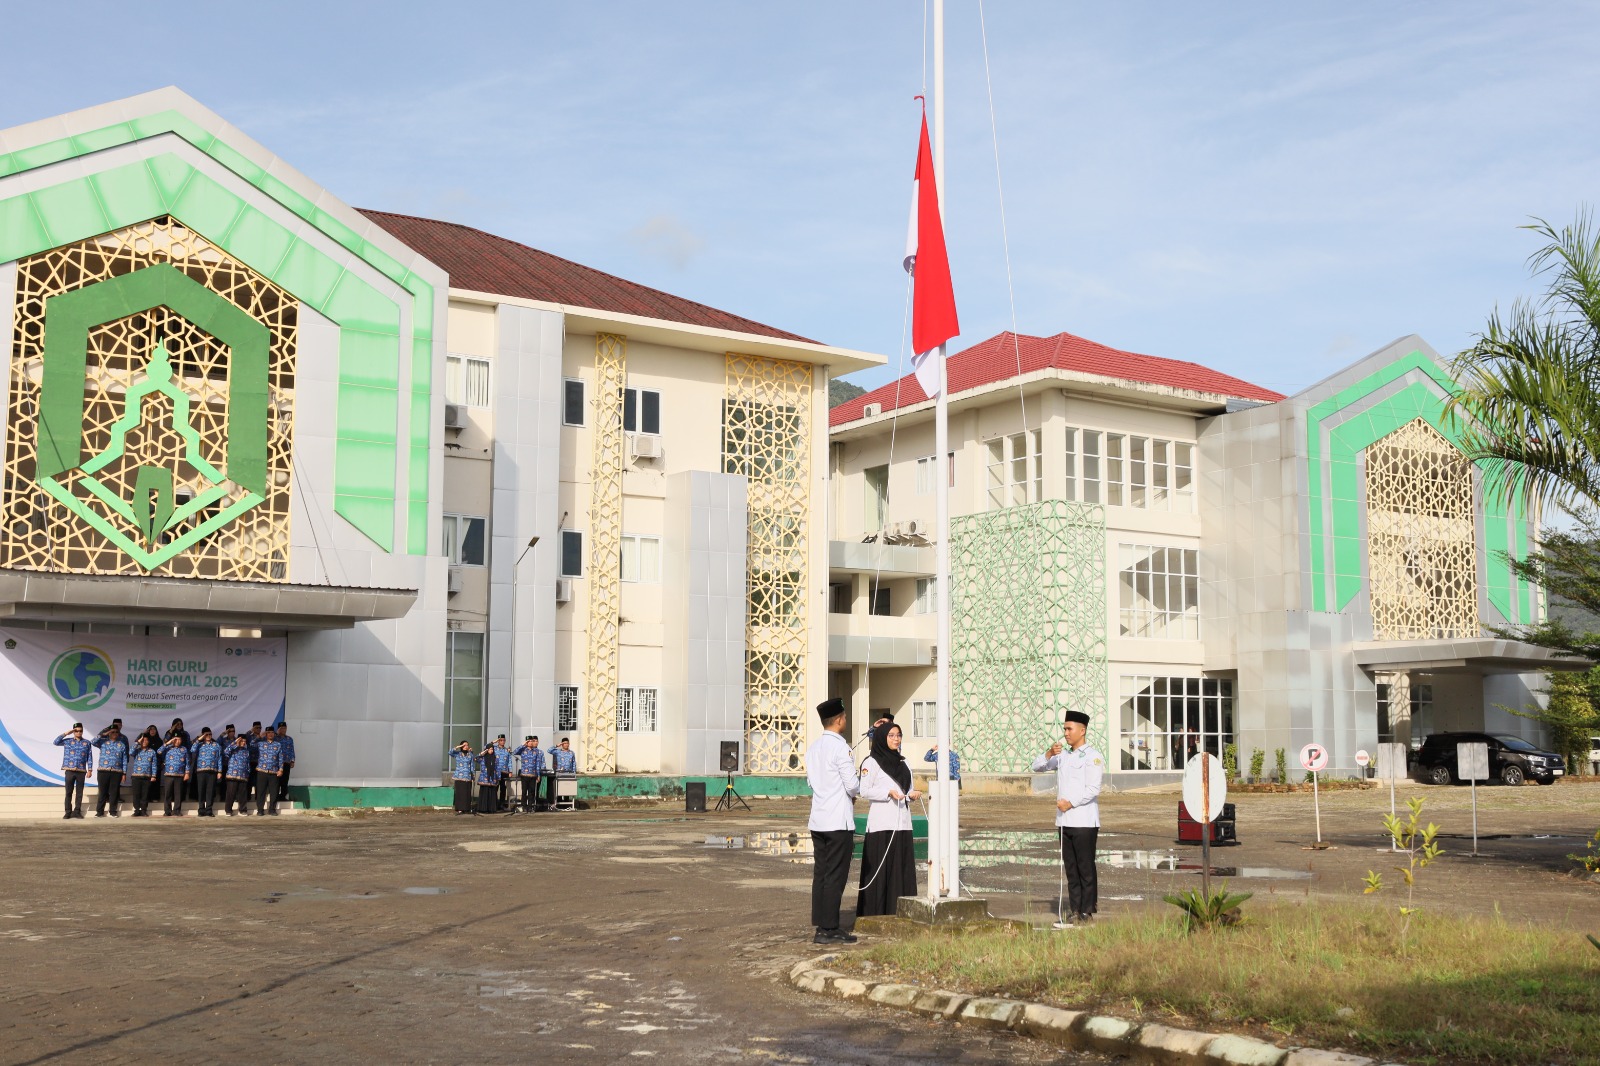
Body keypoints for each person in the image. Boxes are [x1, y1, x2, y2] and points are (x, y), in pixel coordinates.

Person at [1032, 710, 1105, 924]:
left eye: (1069, 728)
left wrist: (1070, 803)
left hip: (1084, 820)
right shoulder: (1063, 755)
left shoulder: (1093, 756)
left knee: (1085, 867)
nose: (1065, 733)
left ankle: (1087, 911)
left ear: (1082, 731)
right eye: (1064, 729)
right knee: (1071, 868)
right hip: (1064, 821)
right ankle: (1074, 910)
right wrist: (1048, 753)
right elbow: (1037, 767)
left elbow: (1093, 788)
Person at [807, 697, 860, 944]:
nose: (845, 720)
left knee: (821, 873)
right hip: (838, 820)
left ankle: (821, 923)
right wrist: (854, 792)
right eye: (845, 717)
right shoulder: (841, 748)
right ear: (839, 720)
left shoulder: (814, 748)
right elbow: (852, 785)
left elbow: (812, 783)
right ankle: (829, 928)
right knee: (835, 876)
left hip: (818, 819)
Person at [856, 721, 919, 917]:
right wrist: (888, 793)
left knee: (901, 869)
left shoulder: (904, 761)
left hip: (902, 823)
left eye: (898, 735)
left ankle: (899, 911)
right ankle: (876, 912)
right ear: (882, 737)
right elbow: (864, 790)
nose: (896, 739)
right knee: (881, 869)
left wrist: (912, 794)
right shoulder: (871, 761)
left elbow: (907, 789)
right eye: (891, 735)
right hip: (882, 824)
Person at [54, 723, 94, 819]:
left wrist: (90, 770)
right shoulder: (67, 741)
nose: (78, 732)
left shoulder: (87, 743)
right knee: (68, 792)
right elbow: (55, 742)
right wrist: (66, 733)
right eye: (76, 730)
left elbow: (89, 757)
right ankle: (68, 812)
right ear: (73, 732)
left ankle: (77, 811)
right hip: (69, 770)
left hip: (81, 770)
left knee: (79, 792)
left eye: (80, 731)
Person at [92, 724, 130, 818]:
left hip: (116, 771)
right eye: (112, 732)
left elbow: (124, 759)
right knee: (102, 792)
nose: (114, 734)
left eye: (116, 732)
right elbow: (93, 741)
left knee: (114, 792)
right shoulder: (102, 742)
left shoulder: (121, 744)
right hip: (103, 771)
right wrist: (105, 733)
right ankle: (99, 812)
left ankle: (113, 811)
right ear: (109, 733)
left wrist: (124, 773)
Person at [191, 727, 223, 817]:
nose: (208, 736)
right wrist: (199, 739)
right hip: (201, 770)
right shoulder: (199, 744)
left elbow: (219, 758)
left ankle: (209, 810)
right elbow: (192, 749)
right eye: (206, 734)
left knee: (210, 791)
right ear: (203, 735)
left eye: (210, 734)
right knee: (201, 790)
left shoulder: (216, 745)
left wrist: (220, 771)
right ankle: (201, 809)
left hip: (212, 771)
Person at [253, 726, 285, 815]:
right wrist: (259, 737)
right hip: (262, 771)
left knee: (274, 792)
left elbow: (280, 758)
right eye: (268, 732)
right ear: (266, 734)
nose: (270, 734)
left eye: (272, 732)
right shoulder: (260, 743)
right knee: (260, 792)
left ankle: (272, 809)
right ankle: (260, 810)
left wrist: (281, 769)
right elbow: (251, 745)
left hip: (274, 772)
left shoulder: (278, 744)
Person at [128, 735, 160, 816]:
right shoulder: (136, 750)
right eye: (143, 740)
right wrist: (138, 742)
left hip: (147, 776)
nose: (144, 742)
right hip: (136, 776)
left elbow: (154, 764)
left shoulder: (152, 751)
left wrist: (153, 776)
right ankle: (136, 810)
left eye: (146, 740)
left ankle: (143, 810)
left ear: (148, 742)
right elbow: (130, 752)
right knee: (136, 794)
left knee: (145, 794)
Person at [160, 735, 190, 816]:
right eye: (176, 740)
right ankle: (167, 811)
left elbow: (187, 762)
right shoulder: (168, 748)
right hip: (169, 774)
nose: (177, 741)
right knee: (167, 793)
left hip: (179, 774)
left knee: (178, 793)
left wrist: (187, 773)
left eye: (179, 740)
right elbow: (159, 751)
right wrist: (169, 742)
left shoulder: (184, 749)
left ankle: (177, 810)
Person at [514, 736, 545, 813]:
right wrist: (523, 745)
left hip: (533, 775)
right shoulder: (523, 750)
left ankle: (530, 807)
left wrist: (538, 775)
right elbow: (514, 752)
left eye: (532, 741)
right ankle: (524, 806)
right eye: (529, 741)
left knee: (532, 792)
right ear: (527, 742)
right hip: (524, 775)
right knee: (524, 792)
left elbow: (537, 764)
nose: (531, 743)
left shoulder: (536, 751)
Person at [223, 736, 253, 816]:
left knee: (242, 794)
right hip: (232, 775)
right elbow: (225, 752)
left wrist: (248, 772)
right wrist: (234, 743)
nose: (243, 743)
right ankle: (228, 810)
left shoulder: (246, 751)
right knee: (231, 793)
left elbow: (247, 763)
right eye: (242, 741)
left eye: (244, 741)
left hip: (243, 775)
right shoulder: (233, 749)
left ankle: (242, 810)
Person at [546, 737, 578, 809]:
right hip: (559, 773)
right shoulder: (558, 752)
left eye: (567, 743)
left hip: (568, 773)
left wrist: (574, 773)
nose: (566, 745)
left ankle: (566, 804)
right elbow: (549, 750)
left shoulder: (571, 753)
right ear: (562, 744)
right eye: (565, 743)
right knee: (559, 789)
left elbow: (573, 763)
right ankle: (559, 804)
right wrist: (557, 745)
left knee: (567, 789)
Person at [450, 741, 476, 815]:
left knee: (467, 793)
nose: (466, 746)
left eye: (467, 745)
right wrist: (458, 746)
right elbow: (450, 752)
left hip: (467, 776)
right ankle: (460, 809)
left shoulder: (470, 755)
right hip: (459, 776)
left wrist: (473, 775)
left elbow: (472, 765)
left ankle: (466, 808)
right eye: (464, 745)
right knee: (460, 793)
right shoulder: (458, 754)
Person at [475, 744, 500, 814]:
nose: (491, 751)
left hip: (493, 778)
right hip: (484, 778)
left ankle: (491, 808)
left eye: (492, 749)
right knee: (485, 793)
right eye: (489, 749)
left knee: (492, 793)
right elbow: (476, 758)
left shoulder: (495, 758)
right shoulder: (482, 758)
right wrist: (483, 752)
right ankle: (483, 808)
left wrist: (498, 777)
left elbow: (498, 768)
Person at [275, 723, 296, 802]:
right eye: (281, 728)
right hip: (277, 763)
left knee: (285, 780)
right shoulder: (275, 738)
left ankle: (283, 796)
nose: (283, 730)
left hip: (286, 762)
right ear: (278, 729)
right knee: (276, 780)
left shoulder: (289, 739)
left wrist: (292, 760)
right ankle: (275, 796)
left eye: (284, 728)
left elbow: (292, 750)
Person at [492, 735, 513, 811]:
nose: (502, 742)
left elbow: (509, 761)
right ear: (498, 741)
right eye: (500, 740)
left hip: (504, 771)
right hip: (496, 771)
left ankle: (501, 804)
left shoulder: (507, 750)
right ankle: (494, 804)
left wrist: (510, 771)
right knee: (495, 788)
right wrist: (493, 742)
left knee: (503, 788)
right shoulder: (494, 749)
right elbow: (486, 747)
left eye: (503, 740)